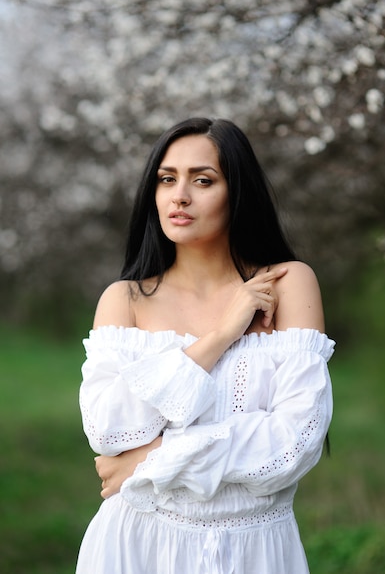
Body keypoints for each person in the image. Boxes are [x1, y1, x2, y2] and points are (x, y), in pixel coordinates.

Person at [76, 117, 334, 574]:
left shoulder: (287, 283)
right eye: (167, 179)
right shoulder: (126, 300)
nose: (180, 195)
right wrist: (219, 337)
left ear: (238, 192)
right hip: (136, 545)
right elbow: (109, 431)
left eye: (203, 180)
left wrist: (152, 458)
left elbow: (294, 442)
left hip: (256, 548)